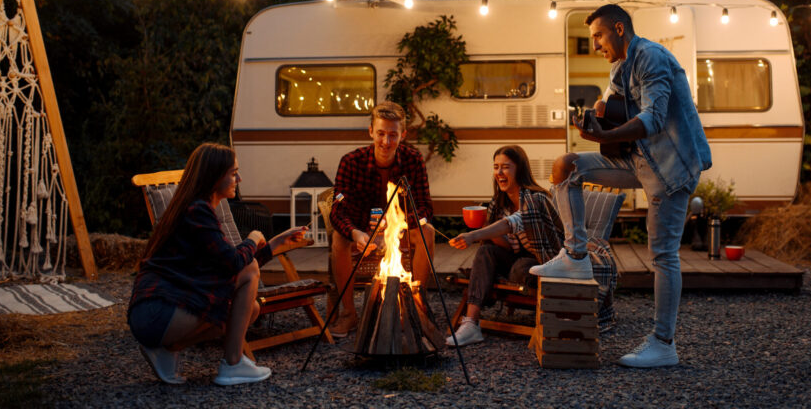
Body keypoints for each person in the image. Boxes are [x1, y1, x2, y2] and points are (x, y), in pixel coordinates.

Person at [529, 3, 712, 369]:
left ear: (619, 28)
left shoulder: (652, 58)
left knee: (662, 254)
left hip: (671, 168)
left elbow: (653, 118)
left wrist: (608, 132)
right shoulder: (619, 65)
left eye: (598, 35)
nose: (595, 44)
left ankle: (664, 343)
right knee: (567, 167)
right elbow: (612, 100)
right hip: (638, 160)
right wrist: (599, 111)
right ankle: (576, 257)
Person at [128, 142, 307, 385]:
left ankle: (167, 350)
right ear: (214, 177)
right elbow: (237, 263)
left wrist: (275, 243)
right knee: (248, 277)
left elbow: (229, 264)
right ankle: (232, 364)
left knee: (250, 310)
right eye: (233, 173)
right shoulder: (196, 211)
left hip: (160, 312)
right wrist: (253, 238)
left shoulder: (197, 209)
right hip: (157, 311)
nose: (239, 179)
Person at [328, 101, 435, 338]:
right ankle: (348, 314)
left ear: (403, 135)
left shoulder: (413, 160)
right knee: (338, 239)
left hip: (401, 229)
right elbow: (337, 210)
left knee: (428, 231)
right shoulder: (351, 162)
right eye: (381, 134)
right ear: (370, 131)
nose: (386, 142)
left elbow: (426, 207)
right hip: (362, 231)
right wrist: (356, 233)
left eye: (393, 135)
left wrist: (398, 226)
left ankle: (417, 306)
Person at [444, 145, 564, 347]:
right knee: (486, 251)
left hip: (545, 261)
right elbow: (509, 246)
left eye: (505, 167)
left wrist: (474, 235)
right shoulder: (499, 203)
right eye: (496, 167)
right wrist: (483, 226)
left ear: (520, 170)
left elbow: (511, 223)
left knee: (519, 269)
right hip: (518, 260)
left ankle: (482, 296)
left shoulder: (536, 199)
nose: (499, 172)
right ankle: (471, 323)